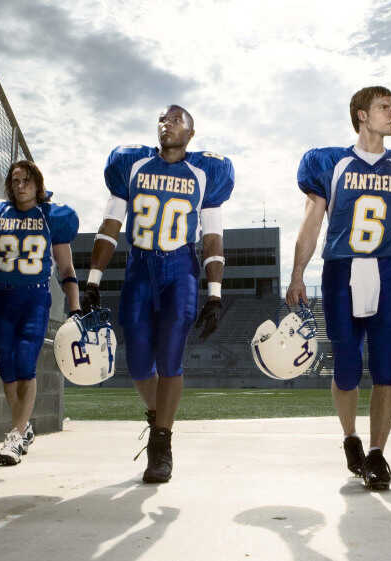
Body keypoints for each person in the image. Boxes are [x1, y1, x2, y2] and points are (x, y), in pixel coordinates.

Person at [287, 86, 391, 490]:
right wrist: (296, 272)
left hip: (389, 268)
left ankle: (378, 453)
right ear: (362, 115)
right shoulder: (330, 163)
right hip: (342, 268)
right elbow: (312, 222)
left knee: (385, 368)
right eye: (383, 107)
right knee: (345, 369)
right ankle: (350, 437)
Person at [82, 105, 234, 483]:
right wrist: (93, 279)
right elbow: (110, 225)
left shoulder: (206, 172)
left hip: (180, 268)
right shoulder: (131, 165)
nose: (167, 124)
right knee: (136, 365)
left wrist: (214, 294)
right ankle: (157, 416)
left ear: (191, 133)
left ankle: (161, 444)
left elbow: (213, 237)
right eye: (163, 119)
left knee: (170, 359)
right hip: (139, 266)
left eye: (176, 119)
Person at [0, 160, 81, 466]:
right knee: (7, 369)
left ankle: (15, 435)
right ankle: (22, 428)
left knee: (25, 362)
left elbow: (66, 268)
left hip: (35, 300)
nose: (20, 185)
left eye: (26, 180)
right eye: (15, 180)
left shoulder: (52, 217)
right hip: (3, 299)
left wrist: (75, 306)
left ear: (38, 183)